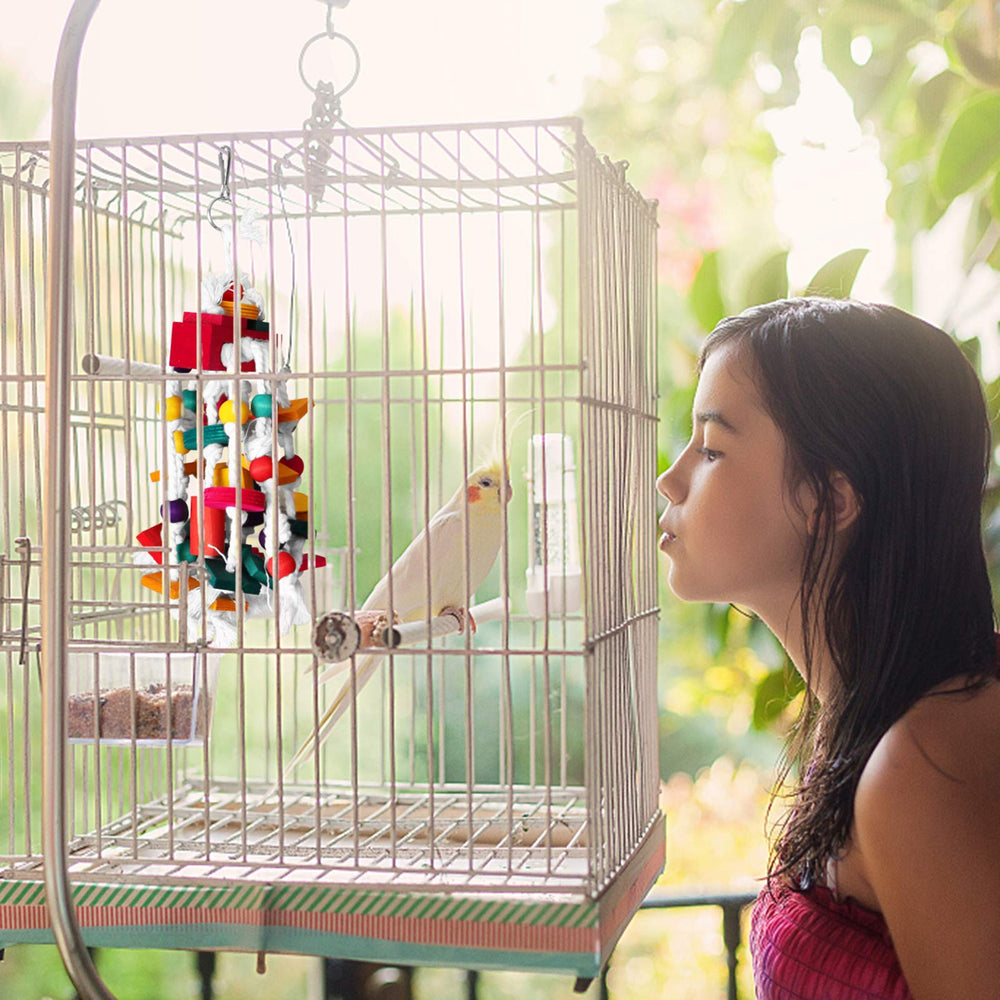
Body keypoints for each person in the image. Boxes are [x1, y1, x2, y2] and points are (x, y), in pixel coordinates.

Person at [656, 297, 1000, 999]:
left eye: (714, 447)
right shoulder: (872, 715)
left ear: (830, 497)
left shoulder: (922, 763)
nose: (672, 478)